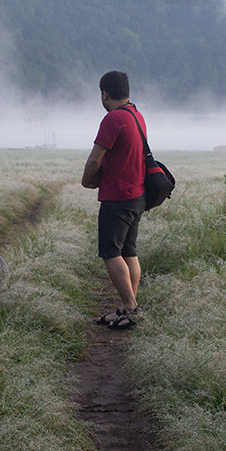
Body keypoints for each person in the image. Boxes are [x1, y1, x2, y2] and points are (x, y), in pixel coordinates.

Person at [81, 71, 147, 330]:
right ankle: (127, 306)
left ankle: (131, 307)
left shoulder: (113, 118)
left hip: (117, 196)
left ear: (104, 93)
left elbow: (95, 158)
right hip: (137, 195)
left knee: (111, 252)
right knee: (129, 251)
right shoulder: (136, 115)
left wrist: (87, 180)